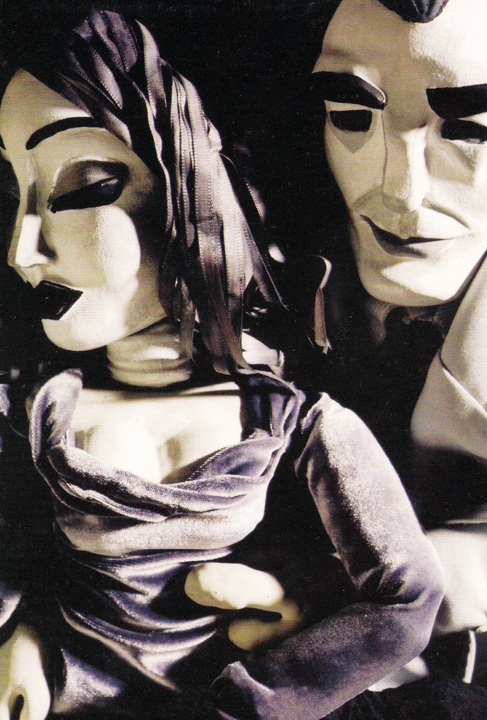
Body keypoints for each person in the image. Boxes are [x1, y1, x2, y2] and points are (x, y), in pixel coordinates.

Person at [0, 9, 443, 720]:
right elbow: (17, 554)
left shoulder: (295, 423)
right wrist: (20, 634)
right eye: (14, 186)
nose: (23, 250)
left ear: (196, 193)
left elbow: (407, 597)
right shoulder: (35, 415)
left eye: (84, 187)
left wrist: (262, 697)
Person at [290, 0, 487, 710]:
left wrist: (359, 591)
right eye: (351, 117)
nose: (402, 190)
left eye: (469, 130)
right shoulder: (275, 264)